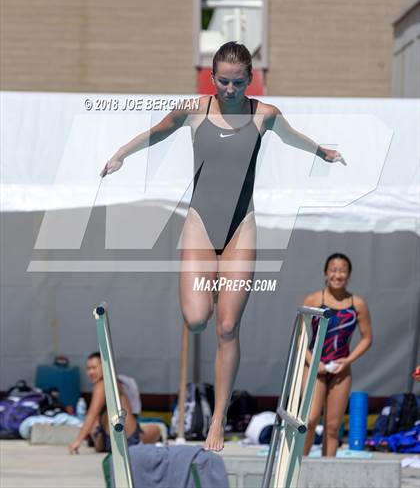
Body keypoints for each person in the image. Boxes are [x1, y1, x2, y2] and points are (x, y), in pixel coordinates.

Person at [101, 41, 346, 451]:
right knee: (197, 318)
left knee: (228, 326)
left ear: (250, 80)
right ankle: (210, 290)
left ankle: (217, 422)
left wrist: (322, 152)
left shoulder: (264, 115)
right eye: (222, 81)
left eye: (237, 82)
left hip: (241, 228)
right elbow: (158, 132)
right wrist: (122, 154)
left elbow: (293, 137)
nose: (229, 89)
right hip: (200, 224)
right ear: (211, 77)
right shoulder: (194, 110)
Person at [302, 253, 373, 457]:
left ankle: (326, 474)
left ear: (349, 274)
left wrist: (348, 361)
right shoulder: (315, 299)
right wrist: (313, 362)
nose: (337, 274)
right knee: (310, 420)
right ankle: (301, 467)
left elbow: (367, 338)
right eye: (333, 269)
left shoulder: (357, 304)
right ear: (326, 273)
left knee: (333, 427)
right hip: (314, 366)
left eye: (342, 270)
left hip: (341, 369)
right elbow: (300, 336)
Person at [68, 352, 161, 454]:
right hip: (125, 438)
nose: (91, 372)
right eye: (88, 369)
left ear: (105, 367)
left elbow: (92, 414)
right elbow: (93, 414)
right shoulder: (107, 384)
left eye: (94, 368)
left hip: (119, 438)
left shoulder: (103, 384)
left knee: (155, 430)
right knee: (157, 430)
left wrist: (78, 441)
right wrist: (78, 441)